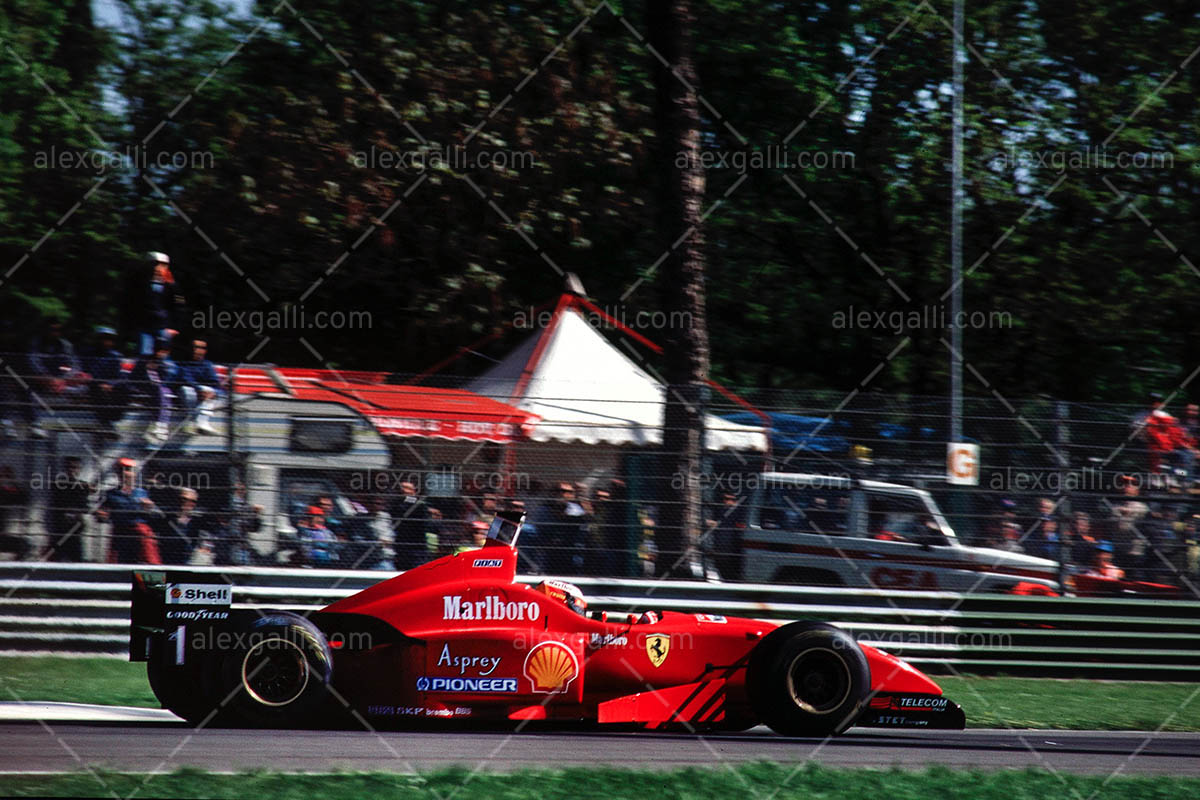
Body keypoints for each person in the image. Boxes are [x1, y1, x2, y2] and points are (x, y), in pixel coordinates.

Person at [24, 320, 86, 438]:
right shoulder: (36, 344)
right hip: (43, 381)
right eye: (52, 330)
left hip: (64, 381)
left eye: (58, 330)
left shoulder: (66, 345)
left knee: (84, 385)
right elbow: (34, 363)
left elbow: (75, 365)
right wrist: (48, 378)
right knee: (29, 390)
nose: (55, 333)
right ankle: (36, 424)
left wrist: (64, 378)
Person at [95, 458, 161, 564]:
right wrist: (102, 515)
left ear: (134, 474)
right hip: (120, 532)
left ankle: (153, 577)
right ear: (118, 474)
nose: (126, 473)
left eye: (129, 470)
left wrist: (150, 507)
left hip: (140, 533)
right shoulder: (110, 494)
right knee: (116, 562)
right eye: (122, 470)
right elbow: (101, 516)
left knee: (150, 559)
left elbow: (158, 515)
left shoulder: (142, 493)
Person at [129, 339, 178, 443]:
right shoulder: (144, 359)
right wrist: (146, 370)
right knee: (160, 392)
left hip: (158, 389)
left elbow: (166, 379)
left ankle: (160, 426)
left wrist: (159, 370)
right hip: (142, 386)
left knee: (165, 393)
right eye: (160, 351)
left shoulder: (164, 364)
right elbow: (134, 376)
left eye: (165, 352)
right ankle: (160, 425)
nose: (162, 354)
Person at [80, 326, 127, 433]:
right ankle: (105, 423)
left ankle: (114, 419)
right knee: (100, 391)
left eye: (109, 339)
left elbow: (118, 376)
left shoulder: (115, 356)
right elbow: (85, 372)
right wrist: (97, 383)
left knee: (123, 387)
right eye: (104, 338)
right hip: (92, 385)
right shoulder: (88, 354)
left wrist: (110, 384)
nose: (106, 342)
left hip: (109, 386)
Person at [46, 456, 91, 562]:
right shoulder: (58, 485)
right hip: (61, 529)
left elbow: (84, 506)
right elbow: (57, 505)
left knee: (77, 559)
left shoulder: (82, 486)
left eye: (75, 468)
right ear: (65, 469)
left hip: (75, 530)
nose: (72, 470)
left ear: (79, 469)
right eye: (70, 467)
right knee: (56, 560)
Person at [176, 339, 223, 435]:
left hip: (204, 393)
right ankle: (193, 422)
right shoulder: (183, 363)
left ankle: (202, 423)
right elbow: (186, 379)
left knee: (213, 392)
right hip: (189, 391)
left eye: (202, 348)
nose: (199, 350)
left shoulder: (207, 364)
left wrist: (211, 392)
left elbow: (215, 382)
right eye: (196, 347)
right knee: (186, 390)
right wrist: (199, 389)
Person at [391, 481, 430, 570]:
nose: (404, 490)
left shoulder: (420, 505)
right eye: (402, 488)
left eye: (407, 488)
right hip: (401, 545)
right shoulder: (395, 503)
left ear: (414, 491)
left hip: (417, 546)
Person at [0, 466, 31, 560]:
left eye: (6, 476)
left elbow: (23, 496)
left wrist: (12, 483)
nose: (4, 479)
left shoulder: (7, 493)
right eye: (2, 476)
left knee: (24, 545)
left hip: (3, 536)